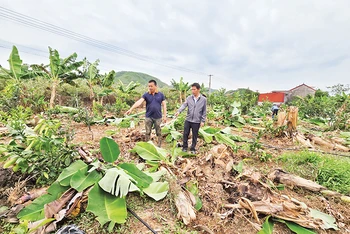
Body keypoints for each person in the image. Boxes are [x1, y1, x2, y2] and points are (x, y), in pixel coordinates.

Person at [125, 80, 167, 147]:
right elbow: (139, 102)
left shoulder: (161, 95)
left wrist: (165, 116)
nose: (150, 87)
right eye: (149, 86)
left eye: (151, 86)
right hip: (148, 117)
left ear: (155, 86)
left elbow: (164, 105)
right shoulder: (146, 95)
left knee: (158, 132)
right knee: (147, 132)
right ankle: (148, 146)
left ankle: (159, 146)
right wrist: (131, 109)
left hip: (158, 117)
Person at [174, 83, 207, 154]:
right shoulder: (189, 98)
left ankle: (193, 148)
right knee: (185, 133)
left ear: (198, 90)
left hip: (197, 121)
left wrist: (203, 120)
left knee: (195, 135)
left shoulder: (203, 99)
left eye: (194, 89)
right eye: (192, 89)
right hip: (188, 119)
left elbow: (204, 111)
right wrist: (179, 111)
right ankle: (184, 147)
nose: (192, 91)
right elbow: (184, 105)